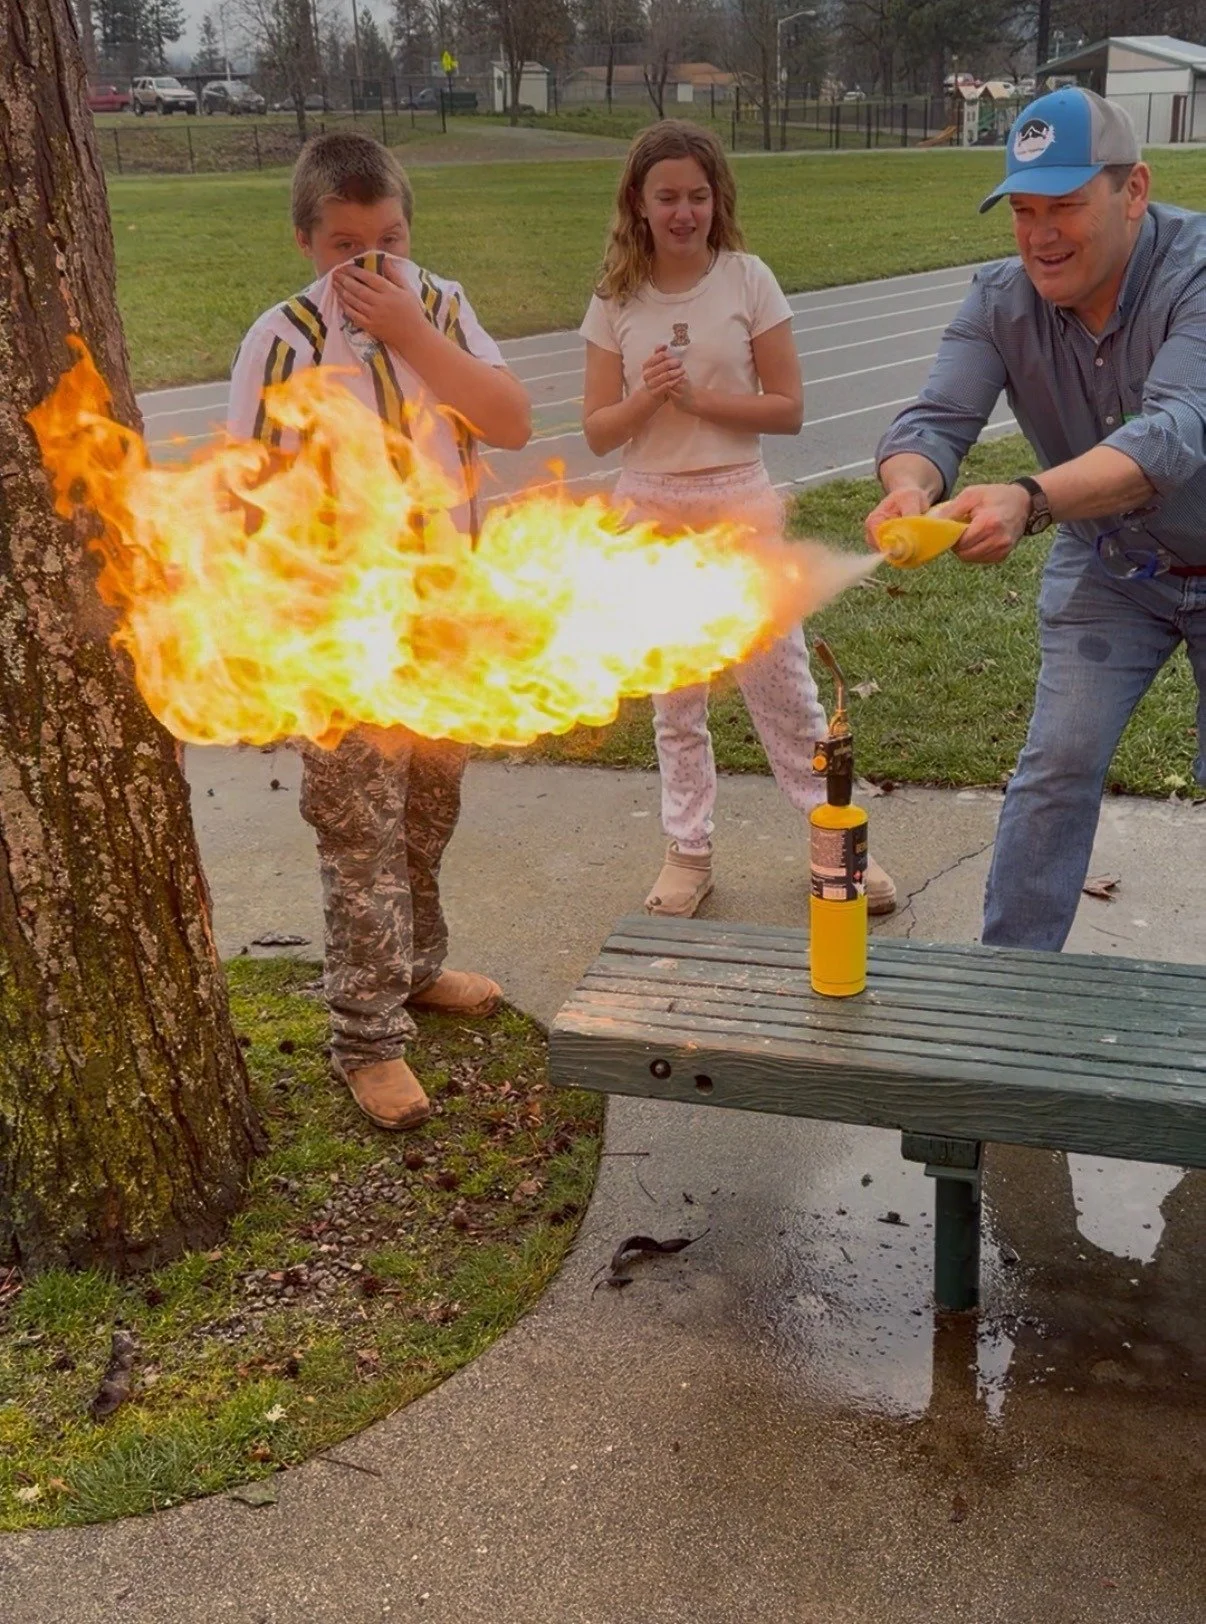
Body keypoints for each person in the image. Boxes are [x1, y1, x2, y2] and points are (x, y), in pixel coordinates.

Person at [229, 132, 531, 1130]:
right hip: (343, 638)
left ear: (411, 231)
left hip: (446, 621)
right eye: (344, 245)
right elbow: (249, 497)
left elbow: (510, 419)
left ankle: (415, 968)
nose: (369, 263)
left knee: (428, 812)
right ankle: (365, 1035)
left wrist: (413, 331)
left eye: (389, 240)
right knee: (359, 833)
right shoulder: (283, 340)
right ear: (304, 241)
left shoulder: (441, 308)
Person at [868, 87, 1206, 952]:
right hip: (1114, 564)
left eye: (1065, 205)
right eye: (1023, 210)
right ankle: (1009, 987)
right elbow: (934, 421)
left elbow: (1170, 438)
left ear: (1133, 191)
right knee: (1057, 766)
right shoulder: (998, 301)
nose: (1040, 235)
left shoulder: (1197, 275)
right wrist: (910, 487)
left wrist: (1030, 498)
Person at [580, 120, 896, 919]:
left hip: (738, 500)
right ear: (638, 203)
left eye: (698, 195)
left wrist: (699, 400)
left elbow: (788, 408)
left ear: (718, 199)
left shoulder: (749, 279)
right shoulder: (615, 298)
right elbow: (598, 431)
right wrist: (648, 399)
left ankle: (834, 841)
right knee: (676, 701)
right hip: (651, 506)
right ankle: (687, 852)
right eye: (667, 197)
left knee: (784, 690)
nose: (683, 212)